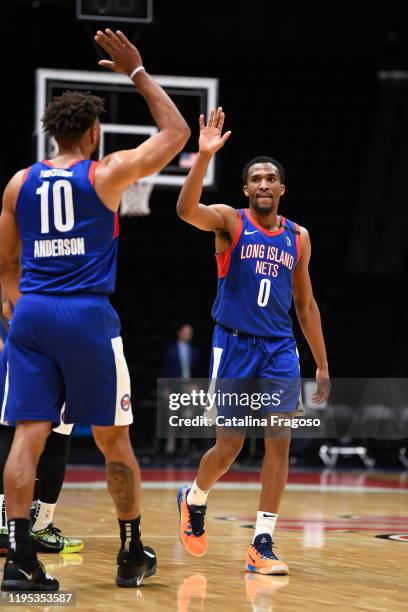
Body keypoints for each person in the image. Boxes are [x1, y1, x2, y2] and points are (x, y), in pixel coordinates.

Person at [0, 28, 190, 592]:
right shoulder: (106, 174)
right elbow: (177, 132)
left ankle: (19, 560)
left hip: (32, 312)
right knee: (114, 440)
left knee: (28, 435)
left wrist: (14, 310)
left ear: (50, 132)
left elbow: (6, 264)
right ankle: (131, 551)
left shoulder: (18, 183)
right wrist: (136, 71)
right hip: (85, 315)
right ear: (93, 132)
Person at [175, 108, 330, 575]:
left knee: (279, 439)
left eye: (271, 179)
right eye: (256, 179)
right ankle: (194, 496)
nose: (263, 184)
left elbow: (305, 306)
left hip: (280, 347)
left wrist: (321, 364)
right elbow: (186, 211)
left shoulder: (298, 238)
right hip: (235, 344)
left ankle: (262, 541)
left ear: (282, 188)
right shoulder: (229, 221)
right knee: (230, 446)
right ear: (246, 189)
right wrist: (202, 157)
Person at [0, 296, 83, 556]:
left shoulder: (22, 261)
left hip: (26, 330)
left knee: (13, 427)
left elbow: (6, 298)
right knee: (57, 431)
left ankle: (6, 525)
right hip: (63, 333)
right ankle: (40, 525)